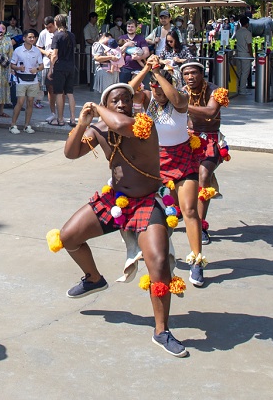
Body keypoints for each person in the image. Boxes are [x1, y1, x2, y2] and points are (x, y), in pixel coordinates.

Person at [46, 83, 190, 357]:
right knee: (68, 237)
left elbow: (121, 125)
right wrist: (83, 123)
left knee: (158, 264)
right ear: (108, 105)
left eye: (127, 99)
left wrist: (98, 108)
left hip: (148, 201)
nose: (123, 103)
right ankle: (93, 278)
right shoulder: (99, 129)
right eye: (116, 100)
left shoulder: (142, 124)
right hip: (116, 200)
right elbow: (70, 152)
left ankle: (161, 330)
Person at [132, 55, 207, 287]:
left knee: (189, 211)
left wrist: (159, 73)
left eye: (161, 87)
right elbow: (128, 90)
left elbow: (175, 97)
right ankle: (159, 254)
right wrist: (146, 70)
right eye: (154, 89)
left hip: (183, 161)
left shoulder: (180, 99)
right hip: (158, 163)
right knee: (164, 214)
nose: (158, 92)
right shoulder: (147, 99)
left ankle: (197, 261)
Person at [182, 61, 228, 244]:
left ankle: (200, 226)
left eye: (193, 73)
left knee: (203, 175)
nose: (190, 77)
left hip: (210, 138)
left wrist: (180, 104)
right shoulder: (182, 91)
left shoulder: (216, 91)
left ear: (202, 74)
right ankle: (180, 212)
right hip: (186, 138)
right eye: (186, 74)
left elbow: (210, 112)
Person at [9, 29, 43, 134]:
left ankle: (27, 125)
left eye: (33, 37)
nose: (32, 39)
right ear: (24, 38)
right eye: (30, 37)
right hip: (20, 79)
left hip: (33, 80)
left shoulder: (37, 51)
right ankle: (13, 125)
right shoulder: (18, 50)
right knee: (20, 102)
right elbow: (12, 65)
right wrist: (19, 68)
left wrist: (36, 69)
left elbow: (42, 66)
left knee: (30, 102)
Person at [48, 13, 78, 126]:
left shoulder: (57, 36)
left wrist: (51, 68)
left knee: (59, 93)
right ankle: (73, 118)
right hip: (71, 66)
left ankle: (60, 119)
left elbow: (54, 55)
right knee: (70, 93)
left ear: (56, 23)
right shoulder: (72, 35)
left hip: (60, 67)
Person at [115, 19, 148, 84]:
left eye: (132, 27)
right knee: (123, 89)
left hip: (137, 68)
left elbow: (146, 53)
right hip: (124, 68)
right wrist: (126, 45)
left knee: (137, 89)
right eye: (128, 26)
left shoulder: (141, 39)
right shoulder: (121, 38)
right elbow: (116, 52)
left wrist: (138, 58)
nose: (130, 28)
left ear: (136, 28)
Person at [36, 16, 57, 114]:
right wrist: (45, 52)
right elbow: (38, 47)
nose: (49, 29)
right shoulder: (44, 33)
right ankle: (52, 110)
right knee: (49, 87)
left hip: (59, 62)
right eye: (46, 27)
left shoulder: (60, 32)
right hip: (47, 63)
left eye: (50, 27)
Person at [232, 15, 253, 96]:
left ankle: (237, 87)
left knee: (239, 71)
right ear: (247, 24)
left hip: (238, 53)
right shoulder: (247, 33)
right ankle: (242, 89)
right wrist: (251, 55)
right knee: (245, 72)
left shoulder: (238, 32)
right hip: (245, 54)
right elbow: (249, 45)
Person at [83, 11, 100, 79]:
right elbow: (88, 39)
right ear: (91, 18)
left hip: (96, 47)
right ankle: (89, 80)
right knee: (89, 65)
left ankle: (95, 79)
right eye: (95, 18)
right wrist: (96, 43)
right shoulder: (87, 28)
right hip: (89, 47)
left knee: (95, 64)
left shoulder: (95, 27)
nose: (96, 20)